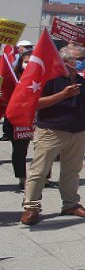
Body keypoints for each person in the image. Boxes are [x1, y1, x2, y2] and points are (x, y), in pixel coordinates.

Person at [20, 45, 85, 226]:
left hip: (78, 131)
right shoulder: (49, 78)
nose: (84, 61)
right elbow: (35, 103)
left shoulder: (80, 79)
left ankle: (70, 204)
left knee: (72, 171)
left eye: (84, 58)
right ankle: (31, 207)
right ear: (65, 61)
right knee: (39, 171)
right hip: (52, 130)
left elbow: (84, 101)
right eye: (80, 58)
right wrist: (63, 94)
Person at [6, 51, 33, 190]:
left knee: (44, 150)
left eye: (32, 61)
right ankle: (22, 179)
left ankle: (44, 178)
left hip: (38, 119)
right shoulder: (12, 77)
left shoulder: (44, 77)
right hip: (17, 121)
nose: (28, 64)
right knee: (19, 151)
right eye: (26, 61)